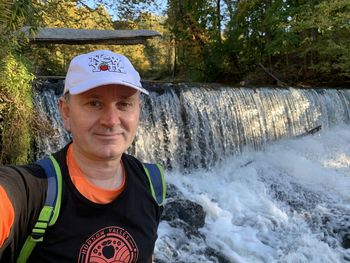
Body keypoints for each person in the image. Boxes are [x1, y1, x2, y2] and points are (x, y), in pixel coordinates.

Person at [0, 50, 165, 262]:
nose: (112, 120)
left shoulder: (152, 182)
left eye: (124, 104)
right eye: (94, 103)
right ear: (66, 112)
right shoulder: (30, 191)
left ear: (138, 110)